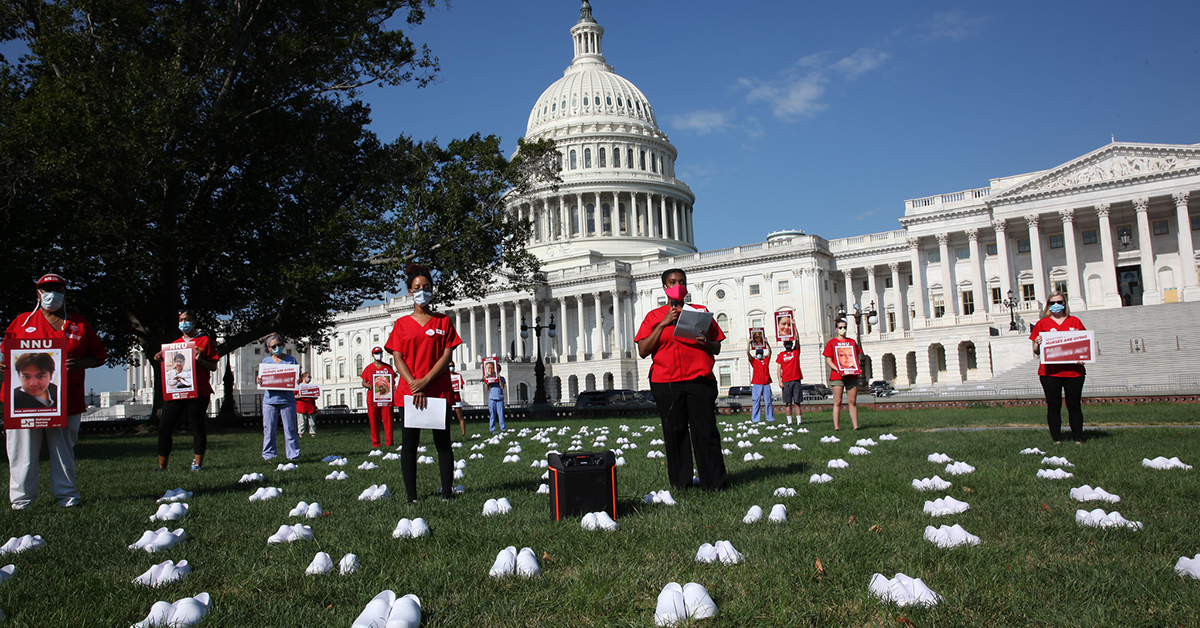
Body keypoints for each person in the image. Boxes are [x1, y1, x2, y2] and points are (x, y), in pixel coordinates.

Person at [1, 273, 107, 509]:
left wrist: (82, 363)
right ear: (37, 293)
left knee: (63, 451)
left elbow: (98, 355)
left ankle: (67, 496)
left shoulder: (78, 323)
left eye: (57, 289)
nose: (52, 294)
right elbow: (8, 353)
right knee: (22, 451)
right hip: (24, 403)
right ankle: (22, 500)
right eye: (46, 289)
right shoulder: (21, 322)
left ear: (65, 293)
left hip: (66, 399)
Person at [635, 268, 728, 491]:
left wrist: (705, 341)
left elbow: (716, 347)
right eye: (672, 282)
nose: (678, 285)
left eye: (682, 281)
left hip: (699, 379)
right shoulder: (654, 317)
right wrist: (664, 323)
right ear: (664, 287)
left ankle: (714, 483)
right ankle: (681, 483)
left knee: (705, 432)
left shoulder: (700, 311)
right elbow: (643, 350)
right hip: (666, 382)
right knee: (674, 433)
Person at [385, 263, 462, 503]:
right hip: (410, 392)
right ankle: (411, 496)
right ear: (410, 291)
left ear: (432, 290)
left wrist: (426, 380)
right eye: (417, 287)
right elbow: (397, 358)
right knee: (409, 444)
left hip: (437, 389)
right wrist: (413, 384)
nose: (422, 291)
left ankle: (447, 493)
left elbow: (447, 356)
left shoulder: (443, 322)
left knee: (443, 443)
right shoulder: (401, 324)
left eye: (426, 287)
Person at [153, 309, 218, 471]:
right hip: (175, 392)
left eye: (187, 319)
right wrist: (160, 357)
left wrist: (200, 359)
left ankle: (198, 464)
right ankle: (162, 466)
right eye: (181, 320)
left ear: (194, 321)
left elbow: (213, 366)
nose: (184, 322)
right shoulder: (174, 345)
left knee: (197, 426)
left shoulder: (204, 341)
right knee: (164, 427)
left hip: (199, 391)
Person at [1030, 291, 1086, 445]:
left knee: (1074, 405)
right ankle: (1057, 439)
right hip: (1050, 372)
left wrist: (1082, 357)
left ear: (1065, 303)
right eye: (1052, 303)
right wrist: (1038, 343)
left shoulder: (1075, 322)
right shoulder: (1042, 324)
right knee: (1053, 405)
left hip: (1073, 372)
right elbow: (1036, 351)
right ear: (1048, 305)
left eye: (1059, 302)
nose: (1056, 305)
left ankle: (1078, 438)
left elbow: (1083, 345)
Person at [258, 333, 299, 462]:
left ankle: (293, 455)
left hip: (287, 400)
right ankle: (269, 455)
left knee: (290, 429)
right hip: (270, 400)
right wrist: (259, 379)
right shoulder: (265, 361)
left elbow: (296, 378)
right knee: (269, 429)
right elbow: (262, 379)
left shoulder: (291, 360)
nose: (276, 347)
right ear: (269, 349)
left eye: (278, 345)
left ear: (283, 345)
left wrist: (296, 380)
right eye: (273, 346)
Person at [823, 318, 863, 431]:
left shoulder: (851, 342)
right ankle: (836, 427)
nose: (843, 329)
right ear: (836, 329)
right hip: (837, 375)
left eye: (844, 327)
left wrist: (855, 367)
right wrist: (838, 369)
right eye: (840, 327)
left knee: (852, 401)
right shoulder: (832, 343)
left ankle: (856, 426)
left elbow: (857, 357)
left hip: (851, 375)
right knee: (838, 401)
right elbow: (829, 360)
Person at [361, 347, 396, 447]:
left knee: (388, 421)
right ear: (373, 355)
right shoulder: (369, 368)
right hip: (372, 399)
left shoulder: (388, 367)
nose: (378, 354)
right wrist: (369, 386)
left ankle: (389, 443)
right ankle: (376, 443)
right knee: (373, 422)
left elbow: (392, 380)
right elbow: (363, 382)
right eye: (376, 353)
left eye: (380, 352)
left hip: (386, 399)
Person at [776, 340, 803, 425]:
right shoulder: (781, 355)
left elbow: (798, 341)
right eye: (786, 344)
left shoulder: (795, 352)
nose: (788, 345)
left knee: (797, 402)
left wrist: (795, 328)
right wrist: (780, 381)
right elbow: (778, 369)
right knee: (788, 403)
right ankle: (790, 421)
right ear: (784, 345)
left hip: (796, 380)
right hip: (786, 381)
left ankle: (799, 421)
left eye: (789, 344)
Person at [747, 343, 774, 423]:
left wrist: (767, 343)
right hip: (757, 384)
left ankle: (770, 418)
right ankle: (755, 419)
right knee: (756, 401)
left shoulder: (765, 361)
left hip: (766, 384)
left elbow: (770, 352)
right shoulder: (754, 362)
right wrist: (749, 343)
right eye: (758, 354)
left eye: (760, 353)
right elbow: (748, 353)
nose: (759, 355)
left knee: (768, 402)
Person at [485, 361, 506, 433]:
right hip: (492, 398)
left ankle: (503, 428)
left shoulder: (502, 378)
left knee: (501, 414)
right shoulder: (490, 378)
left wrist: (499, 380)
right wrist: (487, 383)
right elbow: (487, 389)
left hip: (500, 398)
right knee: (492, 415)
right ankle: (492, 429)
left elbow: (502, 387)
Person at [295, 372, 319, 437]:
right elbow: (294, 396)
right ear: (303, 377)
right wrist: (299, 396)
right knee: (301, 421)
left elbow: (316, 396)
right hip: (301, 406)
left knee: (312, 421)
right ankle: (300, 434)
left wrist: (314, 396)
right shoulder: (298, 386)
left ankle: (313, 433)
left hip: (310, 406)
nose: (309, 378)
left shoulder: (312, 387)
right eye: (308, 377)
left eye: (310, 377)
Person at [448, 361, 466, 437]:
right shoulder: (446, 376)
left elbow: (461, 386)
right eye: (450, 366)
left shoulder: (458, 375)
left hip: (456, 398)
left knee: (460, 415)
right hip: (448, 397)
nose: (451, 367)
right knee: (447, 417)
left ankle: (463, 432)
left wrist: (458, 386)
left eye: (452, 366)